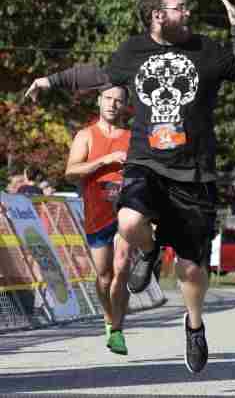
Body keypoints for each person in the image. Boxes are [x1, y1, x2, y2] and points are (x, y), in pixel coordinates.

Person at [24, 0, 235, 373]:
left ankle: (194, 325)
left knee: (191, 269)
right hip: (146, 161)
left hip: (194, 172)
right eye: (179, 7)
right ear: (157, 15)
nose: (188, 11)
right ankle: (148, 251)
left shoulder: (206, 50)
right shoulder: (132, 51)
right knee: (129, 222)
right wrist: (51, 80)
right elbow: (96, 74)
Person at [65, 85, 132, 355]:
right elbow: (70, 172)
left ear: (125, 106)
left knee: (123, 267)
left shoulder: (133, 137)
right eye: (108, 98)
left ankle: (117, 329)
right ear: (99, 101)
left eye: (118, 100)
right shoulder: (86, 136)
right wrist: (106, 160)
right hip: (97, 213)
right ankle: (108, 319)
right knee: (104, 276)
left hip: (126, 211)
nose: (112, 104)